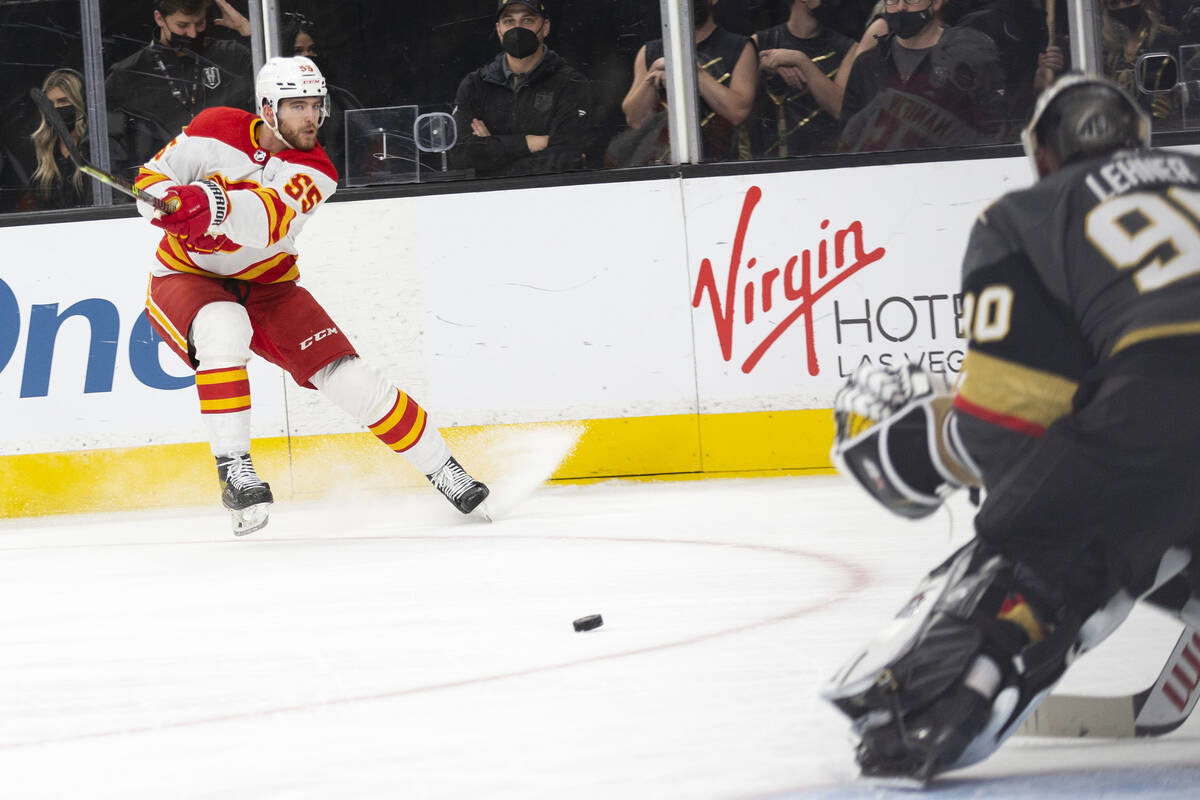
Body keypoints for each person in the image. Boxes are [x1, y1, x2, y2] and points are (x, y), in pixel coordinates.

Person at [822, 74, 1200, 784]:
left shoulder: (1026, 215)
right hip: (1163, 429)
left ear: (1045, 155)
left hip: (1160, 409)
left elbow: (1008, 424)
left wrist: (922, 448)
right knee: (1158, 509)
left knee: (1045, 532)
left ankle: (934, 702)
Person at [133, 55, 490, 535]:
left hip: (270, 286)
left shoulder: (316, 169)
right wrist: (167, 205)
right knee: (223, 329)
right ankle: (235, 471)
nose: (310, 117)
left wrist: (210, 203)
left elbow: (268, 221)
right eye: (296, 105)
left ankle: (445, 468)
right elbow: (148, 182)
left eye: (315, 104)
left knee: (351, 379)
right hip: (187, 277)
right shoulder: (213, 125)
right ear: (266, 108)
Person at [448, 0, 591, 178]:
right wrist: (529, 143)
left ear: (545, 27)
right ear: (499, 29)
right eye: (509, 21)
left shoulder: (570, 83)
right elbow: (459, 156)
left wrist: (491, 151)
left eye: (527, 20)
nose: (517, 28)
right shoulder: (474, 85)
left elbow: (563, 160)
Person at [838, 0, 1005, 151]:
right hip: (881, 176)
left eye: (912, 0)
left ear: (937, 3)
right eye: (893, 1)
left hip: (952, 174)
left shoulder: (969, 56)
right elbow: (848, 139)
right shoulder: (868, 63)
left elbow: (994, 132)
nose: (901, 7)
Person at [106, 0, 254, 170]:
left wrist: (245, 29)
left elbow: (279, 85)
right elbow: (108, 146)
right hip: (160, 183)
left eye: (199, 23)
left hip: (231, 177)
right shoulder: (128, 74)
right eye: (182, 25)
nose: (192, 33)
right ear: (159, 19)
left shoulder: (232, 56)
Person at [615, 0, 757, 164]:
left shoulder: (740, 47)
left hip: (724, 169)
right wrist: (653, 74)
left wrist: (690, 70)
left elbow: (737, 112)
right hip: (661, 171)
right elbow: (633, 118)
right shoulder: (650, 52)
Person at [750, 0, 857, 157]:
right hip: (769, 165)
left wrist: (801, 61)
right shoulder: (761, 42)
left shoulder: (848, 48)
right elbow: (738, 104)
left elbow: (840, 109)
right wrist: (762, 65)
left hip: (826, 161)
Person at [24, 69, 126, 210]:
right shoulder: (42, 153)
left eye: (63, 101)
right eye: (49, 104)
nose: (55, 109)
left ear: (80, 102)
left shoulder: (101, 149)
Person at [277, 12, 362, 181]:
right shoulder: (272, 105)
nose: (307, 56)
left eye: (312, 50)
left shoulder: (340, 99)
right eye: (298, 51)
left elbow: (370, 145)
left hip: (341, 192)